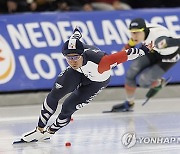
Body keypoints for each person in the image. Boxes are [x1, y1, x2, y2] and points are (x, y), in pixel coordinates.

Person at [16, 27, 150, 143]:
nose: (72, 61)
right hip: (78, 73)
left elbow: (126, 55)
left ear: (82, 54)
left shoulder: (102, 62)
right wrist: (76, 31)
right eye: (68, 58)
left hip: (96, 81)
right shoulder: (74, 56)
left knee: (68, 106)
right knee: (54, 94)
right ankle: (39, 129)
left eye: (75, 57)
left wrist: (144, 50)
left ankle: (50, 132)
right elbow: (75, 36)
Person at [110, 18, 180, 112]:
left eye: (137, 33)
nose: (134, 36)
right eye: (132, 32)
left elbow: (169, 42)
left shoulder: (159, 39)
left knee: (143, 81)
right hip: (152, 50)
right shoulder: (139, 35)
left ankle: (159, 83)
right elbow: (130, 44)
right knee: (131, 73)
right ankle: (129, 103)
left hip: (168, 57)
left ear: (144, 30)